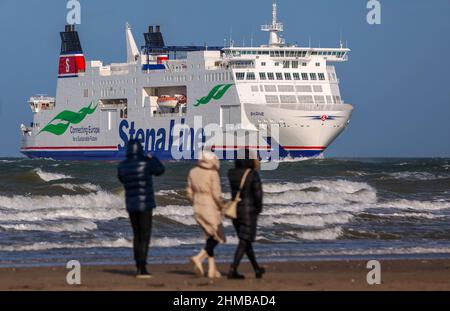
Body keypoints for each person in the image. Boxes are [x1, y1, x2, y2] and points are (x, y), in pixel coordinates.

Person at [118, 139, 165, 279]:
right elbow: (160, 170)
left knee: (136, 236)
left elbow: (122, 179)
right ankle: (142, 268)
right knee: (145, 236)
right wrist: (153, 158)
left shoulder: (122, 166)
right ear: (140, 149)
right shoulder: (146, 162)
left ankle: (138, 266)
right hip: (146, 205)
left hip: (131, 205)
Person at [186, 151, 225, 279]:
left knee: (209, 237)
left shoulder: (192, 171)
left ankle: (212, 270)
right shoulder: (212, 173)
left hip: (197, 206)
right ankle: (198, 258)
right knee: (218, 236)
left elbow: (189, 193)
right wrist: (222, 207)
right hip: (210, 206)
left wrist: (196, 202)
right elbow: (216, 194)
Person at [227, 158, 265, 279]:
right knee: (244, 241)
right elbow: (258, 194)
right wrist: (259, 209)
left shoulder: (231, 173)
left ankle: (257, 269)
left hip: (235, 212)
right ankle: (233, 269)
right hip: (249, 212)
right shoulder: (252, 174)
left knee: (246, 242)